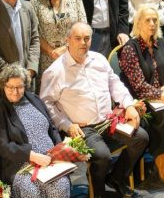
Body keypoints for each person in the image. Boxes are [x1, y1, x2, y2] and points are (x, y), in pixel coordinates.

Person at [39, 23, 147, 198]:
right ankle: (98, 191)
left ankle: (117, 177)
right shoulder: (55, 71)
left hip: (108, 120)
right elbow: (47, 103)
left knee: (141, 138)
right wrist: (66, 124)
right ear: (68, 41)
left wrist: (128, 105)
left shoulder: (99, 59)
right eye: (78, 38)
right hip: (83, 129)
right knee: (103, 156)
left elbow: (114, 83)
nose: (83, 42)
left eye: (87, 38)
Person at [118, 6, 164, 183]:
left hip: (163, 94)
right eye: (147, 20)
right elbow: (139, 85)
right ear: (138, 23)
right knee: (163, 112)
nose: (152, 23)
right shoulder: (130, 49)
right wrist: (161, 96)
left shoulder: (161, 43)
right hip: (140, 100)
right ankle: (161, 160)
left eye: (155, 20)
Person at [0, 65, 71, 198]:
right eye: (10, 87)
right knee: (32, 192)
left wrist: (59, 151)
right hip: (21, 165)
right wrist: (32, 156)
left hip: (49, 160)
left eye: (19, 87)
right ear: (3, 86)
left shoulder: (35, 100)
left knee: (61, 185)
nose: (15, 91)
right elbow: (4, 147)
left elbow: (52, 128)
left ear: (25, 85)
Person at [30, 0, 88, 77]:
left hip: (73, 56)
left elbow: (83, 28)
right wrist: (51, 52)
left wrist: (65, 49)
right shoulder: (35, 1)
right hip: (45, 61)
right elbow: (33, 33)